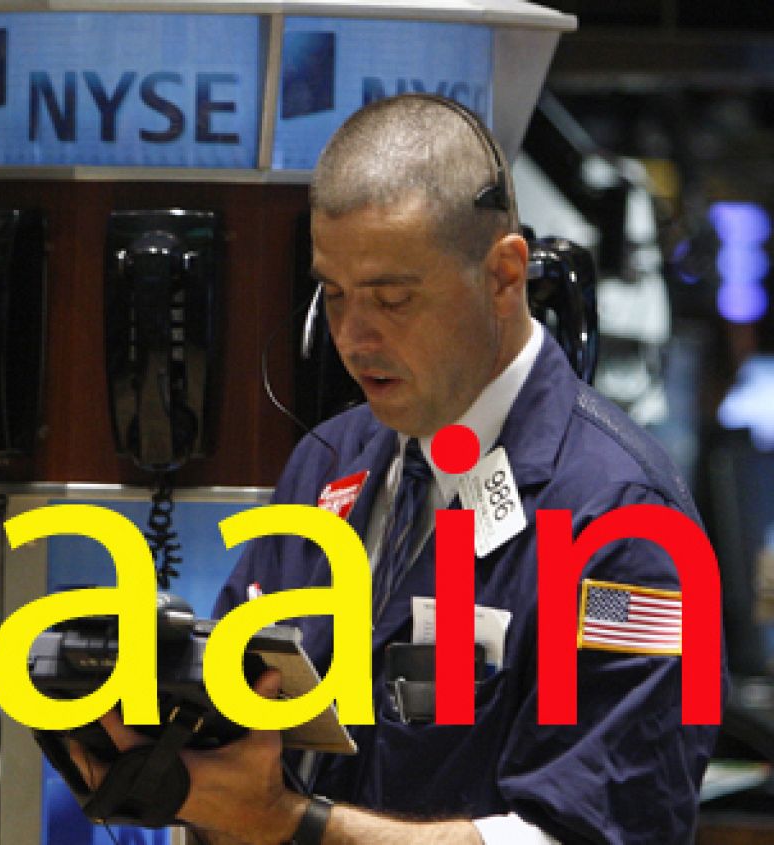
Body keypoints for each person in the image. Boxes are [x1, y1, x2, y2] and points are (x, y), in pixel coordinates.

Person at [76, 94, 719, 845]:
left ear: (504, 276)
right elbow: (244, 733)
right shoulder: (327, 464)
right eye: (333, 294)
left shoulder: (625, 525)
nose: (353, 337)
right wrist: (166, 760)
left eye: (393, 299)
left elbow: (595, 835)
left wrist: (293, 827)